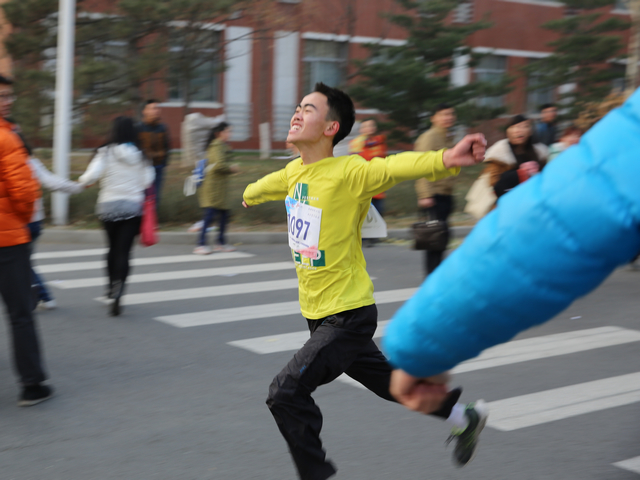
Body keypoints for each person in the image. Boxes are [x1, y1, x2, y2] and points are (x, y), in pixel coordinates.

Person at [242, 82, 489, 480]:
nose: (297, 113)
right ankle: (463, 417)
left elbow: (394, 167)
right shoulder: (294, 172)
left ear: (331, 128)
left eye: (309, 108)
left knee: (285, 393)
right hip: (318, 313)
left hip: (347, 315)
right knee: (393, 385)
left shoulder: (349, 171)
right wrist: (249, 194)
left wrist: (446, 158)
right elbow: (269, 184)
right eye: (298, 106)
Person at [382, 88, 640, 415]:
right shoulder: (497, 151)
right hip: (500, 208)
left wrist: (424, 345)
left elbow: (555, 222)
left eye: (525, 126)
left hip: (515, 225)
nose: (521, 130)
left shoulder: (542, 150)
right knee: (437, 245)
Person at [0, 75, 53, 406]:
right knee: (20, 312)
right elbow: (23, 193)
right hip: (8, 239)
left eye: (9, 96)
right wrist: (22, 216)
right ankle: (31, 385)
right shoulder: (7, 139)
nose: (7, 102)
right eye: (2, 96)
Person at [79, 116, 155, 316]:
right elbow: (148, 181)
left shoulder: (106, 151)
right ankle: (119, 290)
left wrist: (81, 182)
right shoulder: (141, 155)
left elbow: (91, 176)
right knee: (124, 252)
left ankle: (110, 287)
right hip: (132, 208)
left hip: (108, 207)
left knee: (112, 248)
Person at [27, 150, 84, 310]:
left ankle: (37, 291)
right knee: (23, 261)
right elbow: (53, 182)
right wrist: (77, 187)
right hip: (35, 221)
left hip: (16, 222)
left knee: (17, 262)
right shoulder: (31, 163)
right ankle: (44, 296)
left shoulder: (6, 163)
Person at [414, 104, 457, 276]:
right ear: (433, 118)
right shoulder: (429, 137)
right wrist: (425, 195)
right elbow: (420, 167)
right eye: (443, 114)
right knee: (434, 239)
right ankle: (432, 275)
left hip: (445, 194)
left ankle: (436, 273)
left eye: (450, 114)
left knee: (442, 237)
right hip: (433, 195)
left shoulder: (447, 136)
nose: (448, 117)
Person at [194, 122, 238, 254]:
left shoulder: (222, 146)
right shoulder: (216, 146)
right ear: (220, 133)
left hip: (219, 189)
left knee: (224, 215)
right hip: (213, 189)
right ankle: (201, 244)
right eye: (227, 131)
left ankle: (221, 243)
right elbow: (219, 165)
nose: (230, 134)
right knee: (209, 216)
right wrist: (231, 168)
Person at [138, 99, 170, 213]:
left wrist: (163, 163)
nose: (156, 111)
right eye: (153, 108)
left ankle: (151, 220)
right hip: (142, 169)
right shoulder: (139, 128)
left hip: (158, 168)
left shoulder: (162, 128)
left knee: (155, 198)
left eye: (157, 108)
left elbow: (167, 147)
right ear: (144, 111)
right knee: (141, 196)